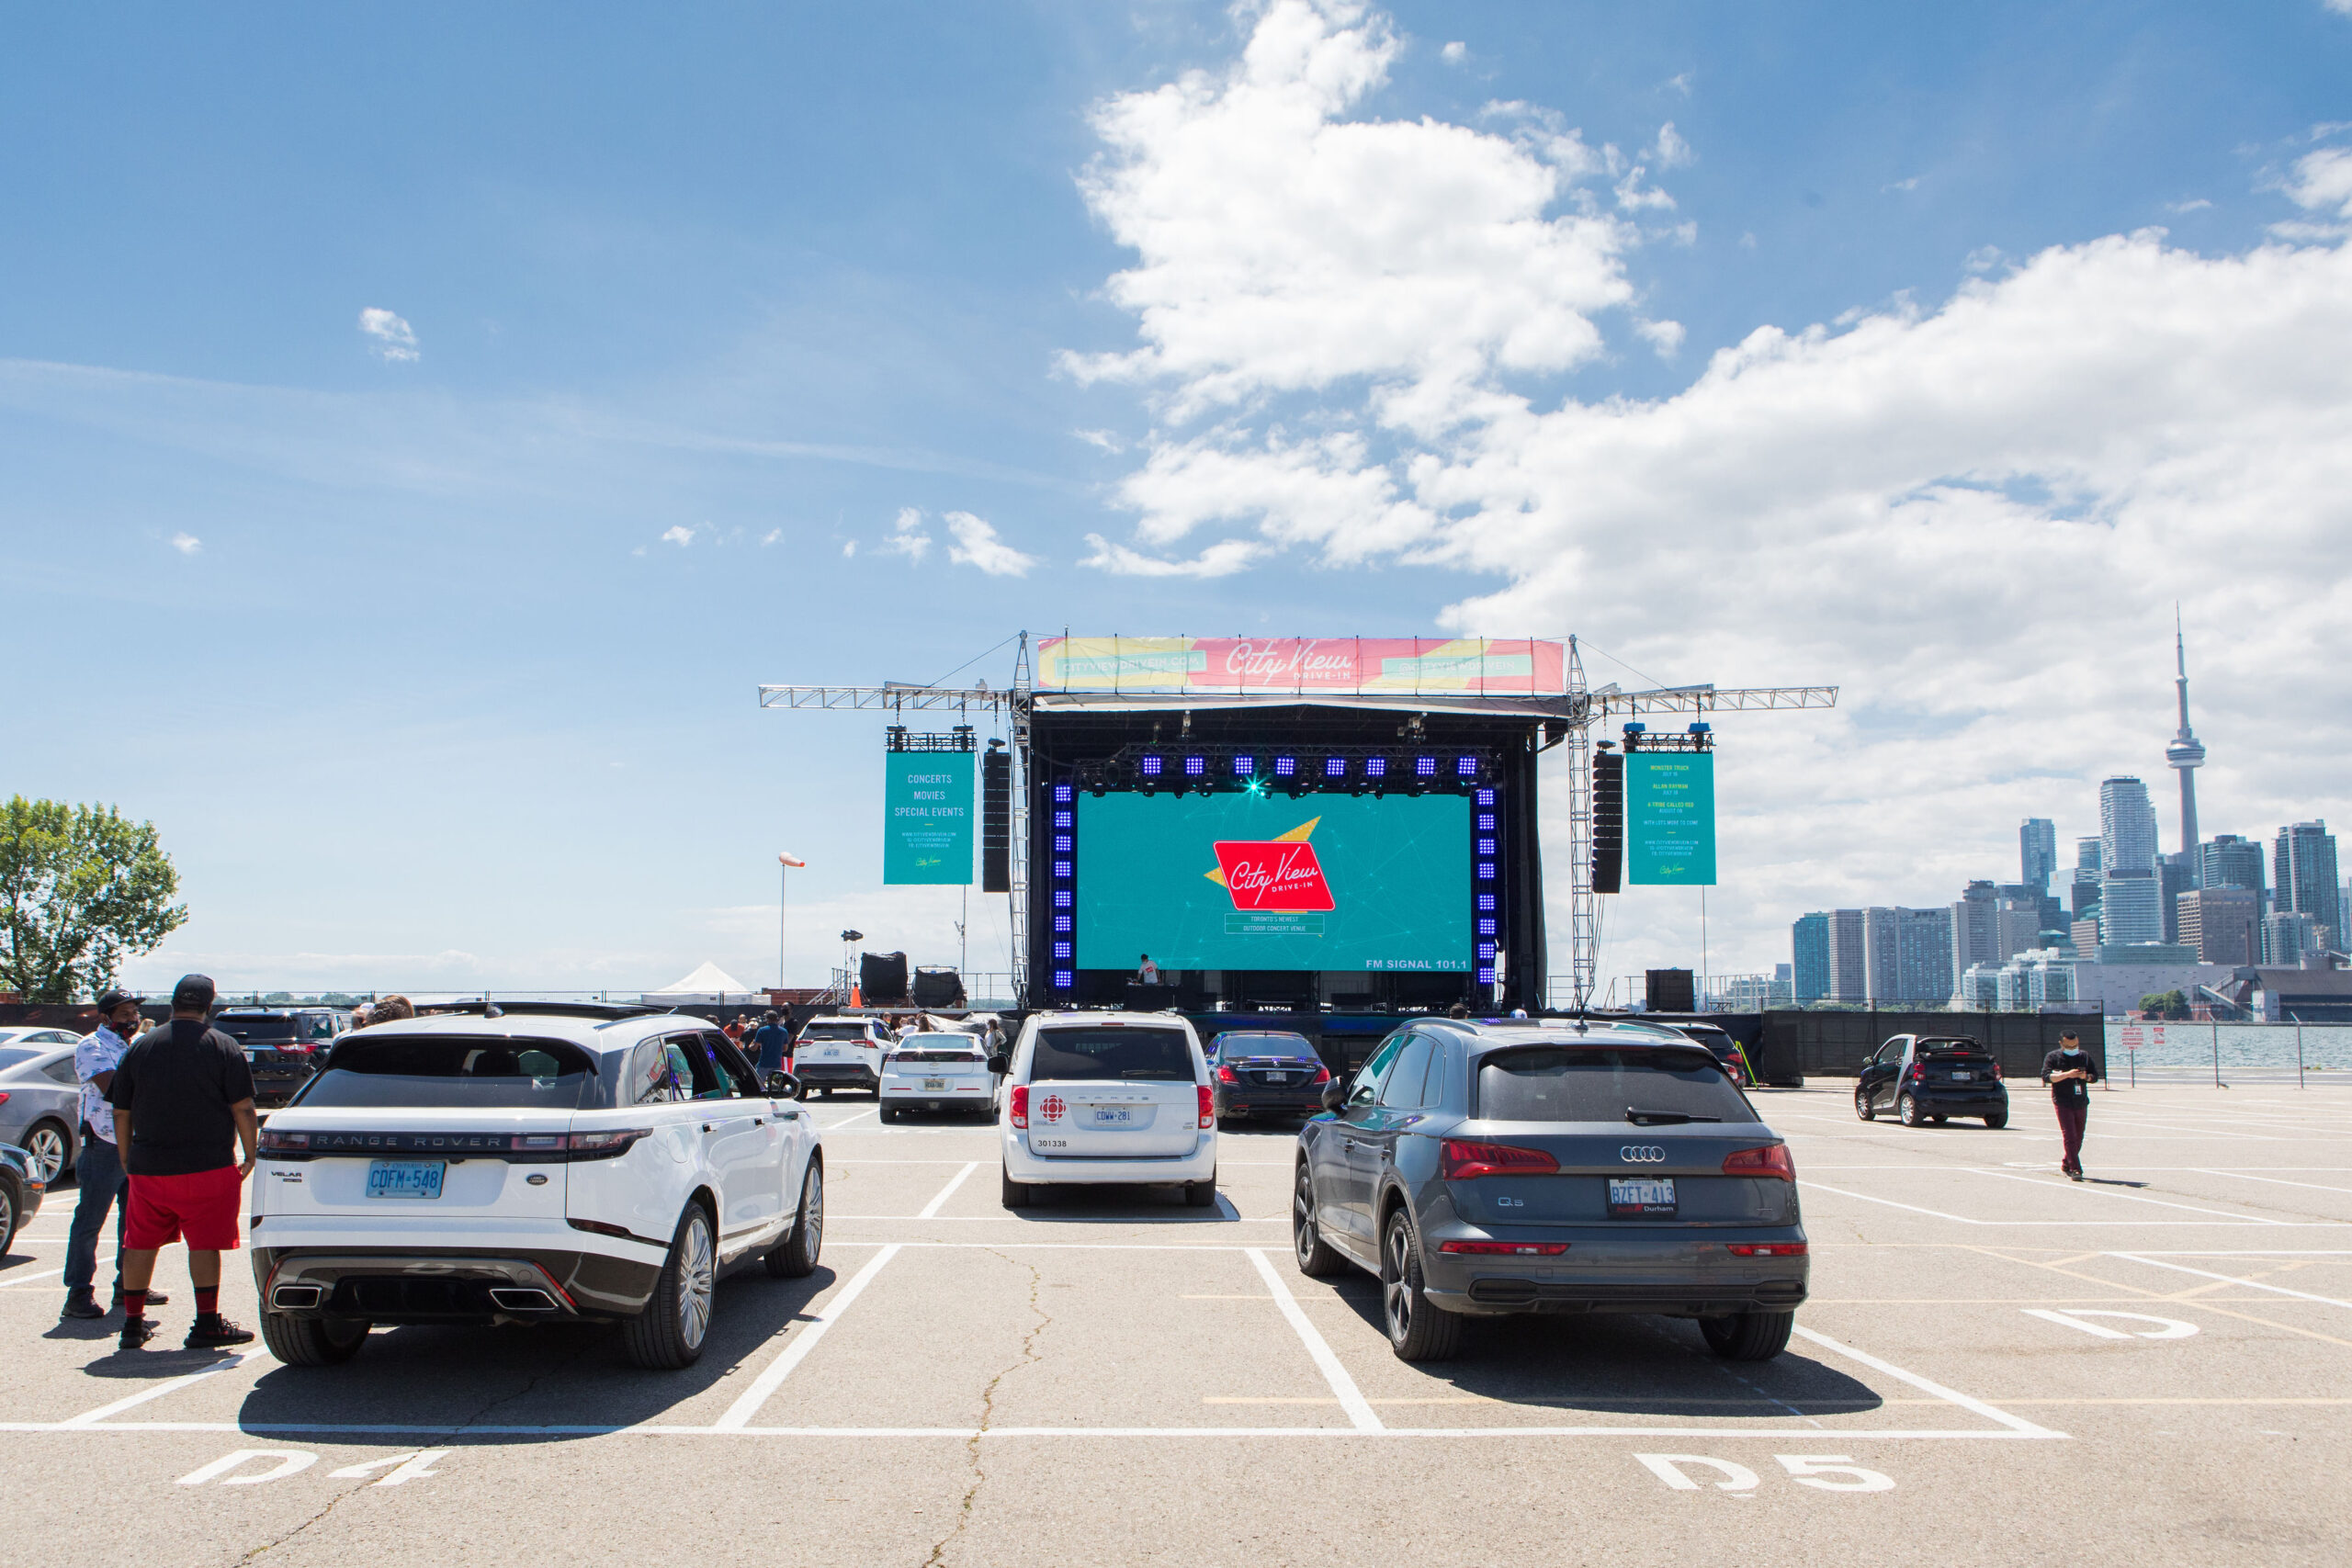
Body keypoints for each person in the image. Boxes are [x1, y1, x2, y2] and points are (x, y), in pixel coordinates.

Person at [107, 975, 260, 1351]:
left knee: (139, 1243)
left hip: (149, 1165)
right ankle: (206, 1323)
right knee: (204, 1244)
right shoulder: (223, 1045)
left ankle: (132, 1324)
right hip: (208, 1164)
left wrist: (126, 1157)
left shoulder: (141, 1047)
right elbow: (243, 1107)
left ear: (173, 1003)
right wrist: (250, 1153)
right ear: (209, 1006)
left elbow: (121, 1111)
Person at [59, 990, 168, 1321]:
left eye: (134, 1013)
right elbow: (113, 1088)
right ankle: (78, 1292)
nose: (132, 1019)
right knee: (90, 1220)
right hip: (104, 1142)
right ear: (105, 1017)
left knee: (133, 1220)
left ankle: (128, 1285)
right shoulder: (92, 1046)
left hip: (136, 1141)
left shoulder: (135, 1045)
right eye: (124, 1014)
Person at [2041, 1030, 2102, 1181]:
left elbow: (2095, 1076)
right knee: (2069, 1135)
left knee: (2079, 1136)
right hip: (2062, 1100)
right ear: (2061, 1044)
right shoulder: (2053, 1057)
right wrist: (2067, 1074)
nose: (2073, 1048)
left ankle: (2066, 1162)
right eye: (2069, 1046)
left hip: (2080, 1100)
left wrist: (2085, 1076)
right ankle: (2076, 1169)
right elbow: (2047, 1076)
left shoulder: (2084, 1056)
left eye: (2075, 1045)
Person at [749, 1010, 793, 1077]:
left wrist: (750, 1045)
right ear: (777, 1019)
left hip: (764, 1064)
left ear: (767, 1019)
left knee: (759, 1082)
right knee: (775, 1083)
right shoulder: (784, 1031)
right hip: (777, 1064)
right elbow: (785, 1049)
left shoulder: (762, 1030)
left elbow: (754, 1048)